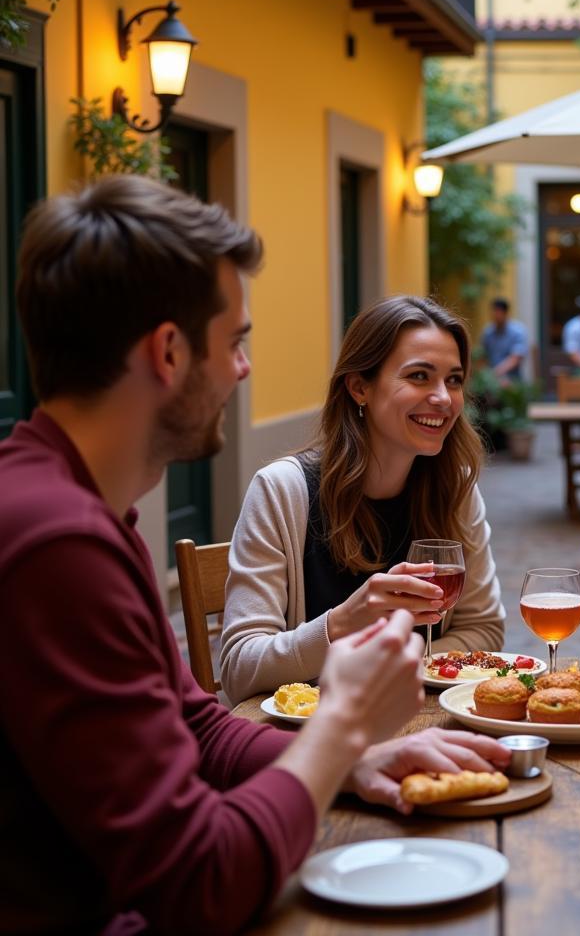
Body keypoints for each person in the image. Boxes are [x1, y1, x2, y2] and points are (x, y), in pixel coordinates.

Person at [0, 176, 509, 934]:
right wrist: (338, 732)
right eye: (235, 342)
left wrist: (354, 763)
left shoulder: (81, 512)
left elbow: (198, 726)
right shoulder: (55, 544)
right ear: (168, 352)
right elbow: (201, 885)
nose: (244, 370)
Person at [220, 295, 506, 704]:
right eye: (420, 376)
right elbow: (238, 669)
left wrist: (390, 663)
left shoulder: (455, 488)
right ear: (359, 387)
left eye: (454, 379)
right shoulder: (282, 491)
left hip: (423, 725)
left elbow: (484, 628)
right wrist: (341, 623)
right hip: (305, 743)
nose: (443, 397)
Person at [481, 297, 529, 380]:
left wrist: (495, 373)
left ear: (505, 313)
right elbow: (483, 356)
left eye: (498, 312)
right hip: (491, 380)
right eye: (494, 311)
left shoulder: (517, 331)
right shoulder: (488, 332)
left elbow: (516, 358)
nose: (495, 315)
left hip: (512, 379)